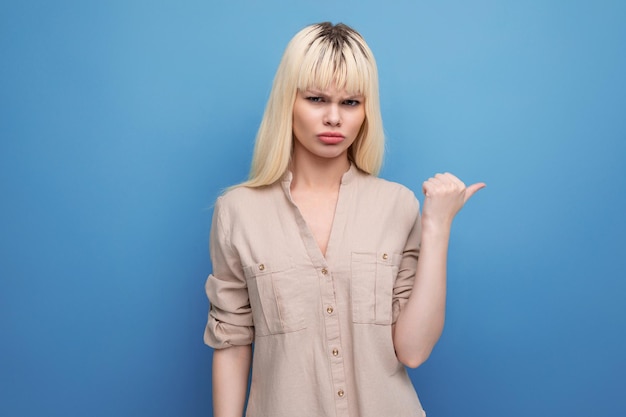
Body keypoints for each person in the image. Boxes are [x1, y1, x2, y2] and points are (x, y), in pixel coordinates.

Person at [204, 22, 485, 417]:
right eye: (317, 99)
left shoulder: (397, 205)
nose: (334, 118)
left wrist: (437, 227)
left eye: (351, 102)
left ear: (366, 111)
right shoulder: (237, 212)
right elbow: (232, 344)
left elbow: (414, 350)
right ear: (288, 101)